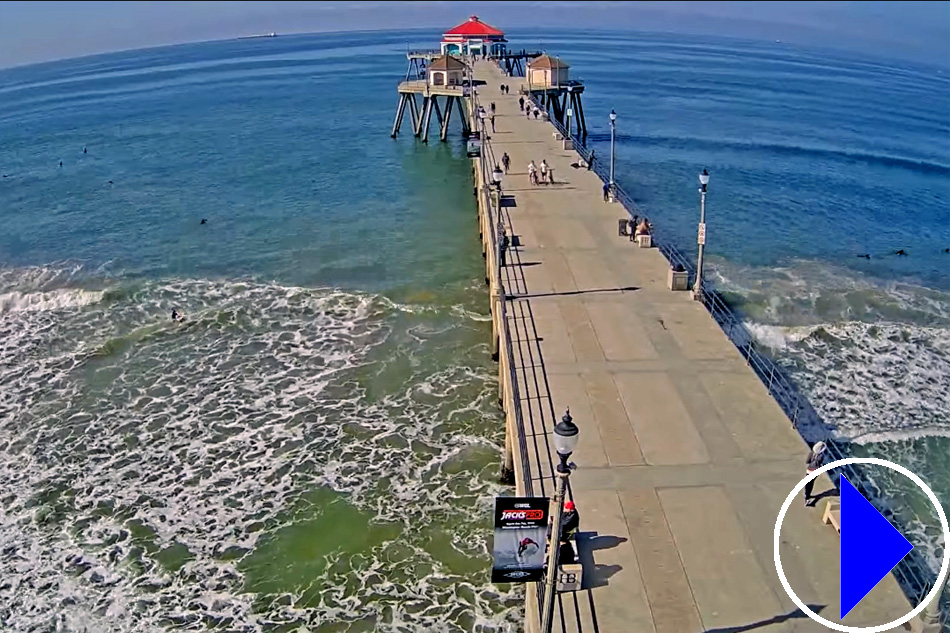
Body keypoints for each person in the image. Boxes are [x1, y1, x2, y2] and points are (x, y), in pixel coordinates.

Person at [804, 441, 828, 506]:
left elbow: (807, 461)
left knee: (808, 483)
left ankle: (806, 495)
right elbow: (819, 463)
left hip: (809, 470)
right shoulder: (821, 456)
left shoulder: (811, 453)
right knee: (811, 483)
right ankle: (807, 498)